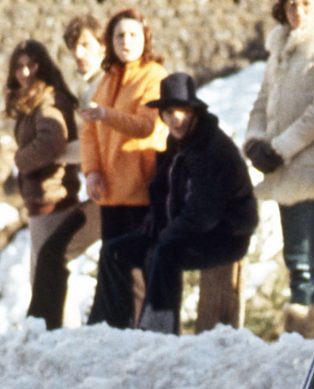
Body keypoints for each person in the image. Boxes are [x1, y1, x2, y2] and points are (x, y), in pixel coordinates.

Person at [89, 74, 258, 334]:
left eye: (182, 111)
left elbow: (203, 214)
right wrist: (154, 226)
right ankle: (108, 328)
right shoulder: (176, 142)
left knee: (164, 253)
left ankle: (159, 332)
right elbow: (161, 190)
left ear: (194, 112)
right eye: (168, 113)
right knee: (114, 251)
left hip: (224, 235)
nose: (175, 119)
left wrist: (165, 236)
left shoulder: (211, 148)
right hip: (187, 229)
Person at [244, 0, 314, 335]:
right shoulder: (280, 46)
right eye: (291, 3)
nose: (298, 10)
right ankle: (299, 336)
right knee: (296, 261)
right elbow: (263, 100)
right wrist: (255, 140)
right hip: (286, 169)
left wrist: (280, 148)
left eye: (306, 3)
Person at [80, 7, 169, 325]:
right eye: (119, 36)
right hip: (111, 189)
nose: (126, 42)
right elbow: (89, 132)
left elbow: (146, 126)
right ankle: (112, 330)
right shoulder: (107, 80)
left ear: (145, 38)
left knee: (136, 271)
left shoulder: (154, 76)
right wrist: (92, 171)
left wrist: (107, 115)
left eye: (133, 35)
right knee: (112, 266)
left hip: (141, 187)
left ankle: (140, 331)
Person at [25, 16, 108, 328]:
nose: (79, 54)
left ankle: (44, 329)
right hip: (104, 192)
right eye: (74, 47)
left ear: (103, 46)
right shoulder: (92, 86)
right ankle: (47, 328)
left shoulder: (104, 87)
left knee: (54, 253)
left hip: (119, 194)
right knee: (54, 253)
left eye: (86, 44)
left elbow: (98, 147)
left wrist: (49, 154)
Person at [6, 41, 81, 286]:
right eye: (19, 67)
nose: (25, 72)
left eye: (31, 65)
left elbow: (51, 141)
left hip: (53, 203)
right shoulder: (33, 100)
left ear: (43, 66)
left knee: (45, 284)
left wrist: (21, 160)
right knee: (45, 282)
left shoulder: (47, 100)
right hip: (43, 203)